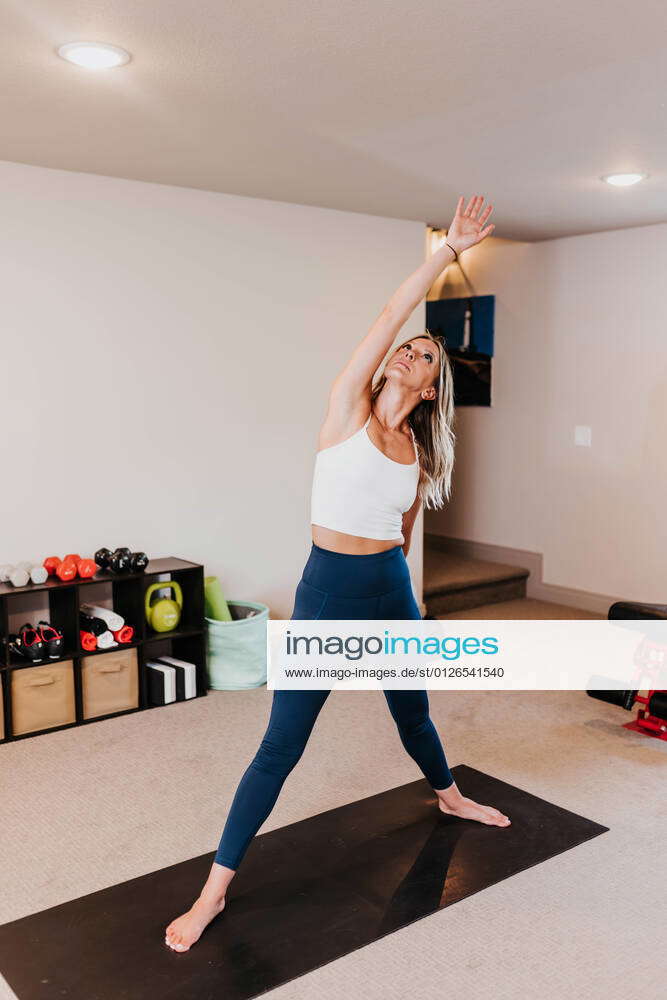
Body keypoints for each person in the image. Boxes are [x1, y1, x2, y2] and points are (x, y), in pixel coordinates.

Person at [165, 194, 510, 953]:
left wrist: (409, 608)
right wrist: (445, 253)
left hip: (390, 593)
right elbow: (390, 312)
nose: (407, 352)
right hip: (325, 596)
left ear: (428, 391)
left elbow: (403, 533)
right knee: (280, 747)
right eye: (408, 347)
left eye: (424, 356)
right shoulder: (344, 412)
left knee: (412, 714)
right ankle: (213, 891)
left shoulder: (416, 453)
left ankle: (448, 796)